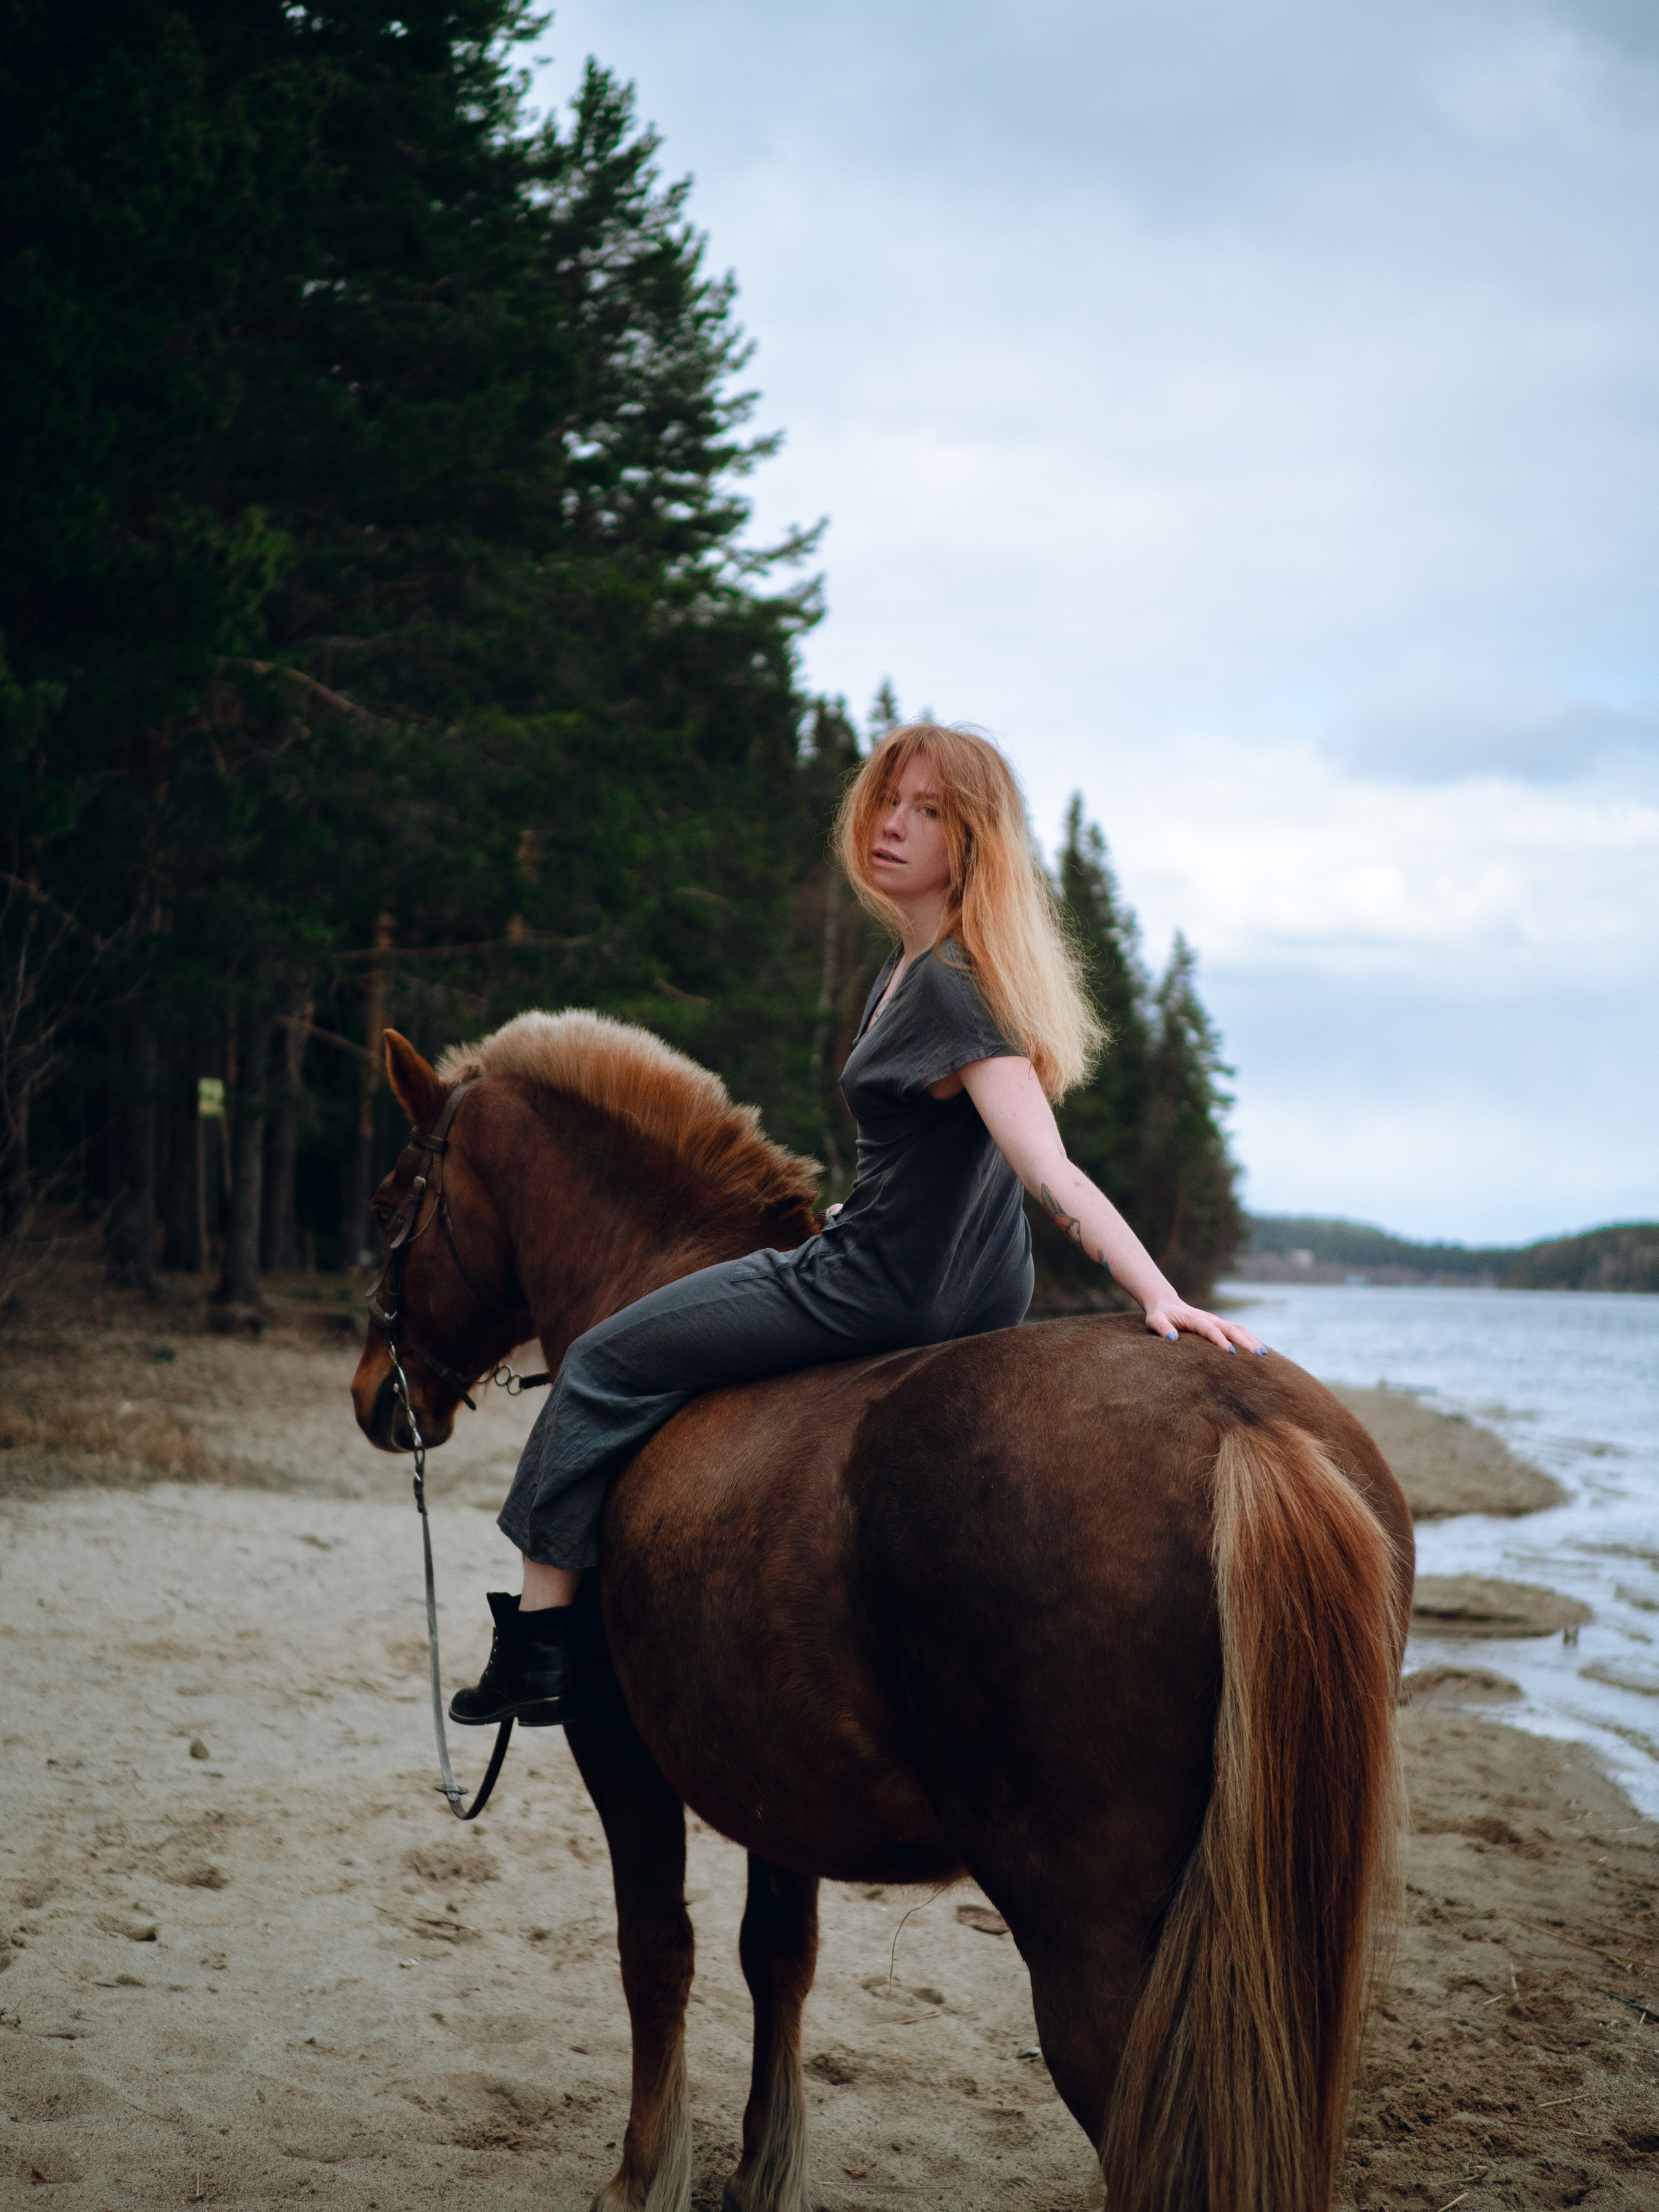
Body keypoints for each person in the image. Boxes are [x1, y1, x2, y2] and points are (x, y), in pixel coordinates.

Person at [450, 723, 1264, 1729]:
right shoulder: (915, 968)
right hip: (961, 1277)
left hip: (883, 1285)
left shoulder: (950, 987)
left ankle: (537, 1651)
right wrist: (866, 1205)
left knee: (603, 1364)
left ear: (970, 843)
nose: (894, 825)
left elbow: (1049, 1169)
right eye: (889, 799)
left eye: (929, 812)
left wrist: (1160, 1293)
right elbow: (934, 1153)